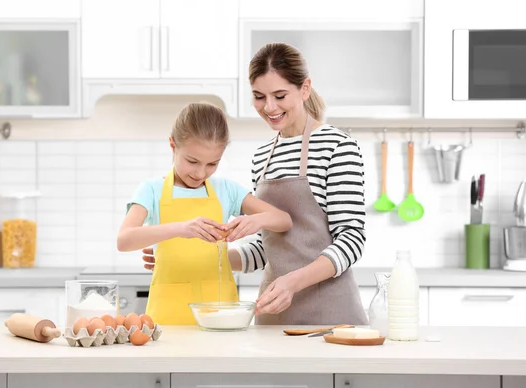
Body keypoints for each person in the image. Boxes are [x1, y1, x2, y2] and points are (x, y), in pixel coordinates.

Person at [141, 43, 368, 326]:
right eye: (259, 97)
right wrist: (185, 256)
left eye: (280, 95)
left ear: (305, 88)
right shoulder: (262, 157)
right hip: (274, 315)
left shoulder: (337, 146)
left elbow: (352, 238)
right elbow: (267, 248)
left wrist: (293, 283)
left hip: (331, 314)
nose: (269, 107)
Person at [117, 102, 293, 326]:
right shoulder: (152, 190)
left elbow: (284, 220)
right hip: (169, 316)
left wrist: (256, 220)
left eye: (212, 163)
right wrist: (181, 228)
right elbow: (124, 240)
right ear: (173, 145)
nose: (201, 173)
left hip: (220, 316)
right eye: (192, 161)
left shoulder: (226, 190)